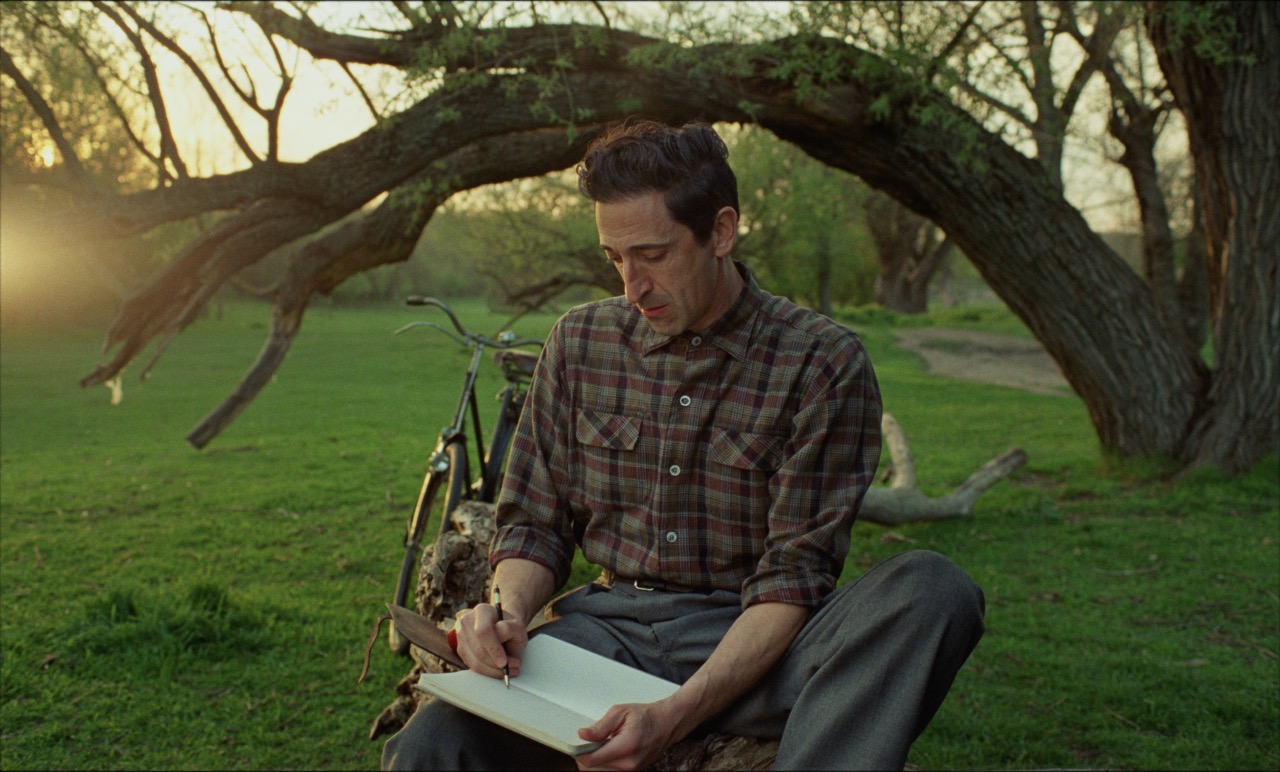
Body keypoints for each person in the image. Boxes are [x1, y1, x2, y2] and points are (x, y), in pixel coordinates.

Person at [382, 118, 984, 771]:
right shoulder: (579, 343)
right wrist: (505, 613)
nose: (631, 288)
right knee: (431, 744)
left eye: (653, 254)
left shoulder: (822, 362)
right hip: (603, 639)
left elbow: (794, 579)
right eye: (615, 258)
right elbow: (533, 524)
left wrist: (674, 716)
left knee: (934, 587)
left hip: (760, 645)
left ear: (721, 232)